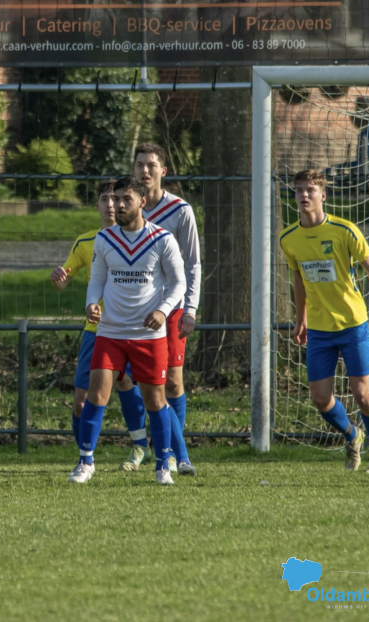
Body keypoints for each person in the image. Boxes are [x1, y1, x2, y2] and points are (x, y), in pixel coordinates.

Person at [75, 176, 186, 485]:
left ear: (142, 203)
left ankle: (163, 464)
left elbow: (179, 284)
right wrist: (91, 303)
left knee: (155, 401)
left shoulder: (162, 239)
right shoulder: (105, 239)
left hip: (148, 336)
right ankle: (86, 463)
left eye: (125, 199)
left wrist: (162, 311)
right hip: (109, 332)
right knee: (97, 394)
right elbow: (97, 277)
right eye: (114, 199)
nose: (118, 205)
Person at [279, 169, 369, 473]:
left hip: (353, 324)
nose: (303, 195)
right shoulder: (289, 238)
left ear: (323, 195)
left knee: (361, 393)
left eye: (310, 190)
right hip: (318, 328)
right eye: (299, 190)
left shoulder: (345, 230)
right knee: (319, 398)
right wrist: (300, 318)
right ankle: (352, 435)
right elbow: (298, 279)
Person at [50, 180, 145, 473]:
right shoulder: (86, 242)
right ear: (98, 206)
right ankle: (84, 456)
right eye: (104, 199)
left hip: (131, 328)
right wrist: (58, 279)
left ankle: (140, 448)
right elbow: (64, 281)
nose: (110, 205)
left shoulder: (139, 239)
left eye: (115, 199)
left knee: (130, 384)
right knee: (82, 399)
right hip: (97, 330)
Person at [121, 142, 201, 475]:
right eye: (139, 165)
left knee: (172, 384)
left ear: (162, 171)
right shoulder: (125, 209)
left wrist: (191, 308)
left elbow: (194, 264)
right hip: (132, 309)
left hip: (171, 309)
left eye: (151, 165)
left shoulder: (180, 211)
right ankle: (147, 446)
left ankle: (169, 452)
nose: (145, 170)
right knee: (129, 379)